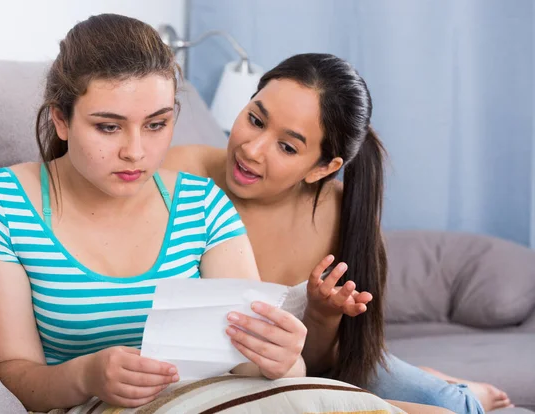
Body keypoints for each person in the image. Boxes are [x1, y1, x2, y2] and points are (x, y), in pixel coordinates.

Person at [0, 14, 307, 412]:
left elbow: (244, 364)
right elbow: (10, 372)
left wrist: (283, 359)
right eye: (109, 127)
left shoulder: (202, 205)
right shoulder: (2, 204)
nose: (135, 151)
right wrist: (85, 376)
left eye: (156, 124)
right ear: (61, 119)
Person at [163, 53, 512, 413]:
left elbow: (320, 365)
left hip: (313, 368)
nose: (252, 150)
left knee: (447, 403)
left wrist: (322, 314)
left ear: (322, 168)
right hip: (228, 375)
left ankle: (469, 392)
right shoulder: (179, 173)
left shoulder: (342, 213)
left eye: (287, 147)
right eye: (255, 120)